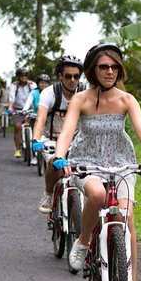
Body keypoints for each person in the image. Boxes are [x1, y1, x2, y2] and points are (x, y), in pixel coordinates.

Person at [51, 43, 141, 281]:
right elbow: (68, 131)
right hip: (87, 163)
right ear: (93, 70)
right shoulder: (81, 99)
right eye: (104, 67)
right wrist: (60, 155)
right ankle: (82, 243)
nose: (110, 71)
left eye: (114, 67)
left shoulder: (127, 100)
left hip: (121, 164)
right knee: (98, 195)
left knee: (126, 219)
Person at [31, 55, 86, 213]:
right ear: (60, 76)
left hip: (78, 141)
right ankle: (48, 193)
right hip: (51, 139)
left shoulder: (85, 92)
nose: (73, 80)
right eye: (68, 76)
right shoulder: (50, 93)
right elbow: (41, 118)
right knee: (55, 163)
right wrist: (36, 138)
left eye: (76, 76)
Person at [22, 74, 52, 165]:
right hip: (36, 116)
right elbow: (28, 102)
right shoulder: (33, 93)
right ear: (38, 84)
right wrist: (24, 110)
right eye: (42, 83)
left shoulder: (51, 92)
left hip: (49, 117)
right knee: (35, 137)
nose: (44, 85)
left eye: (46, 83)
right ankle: (35, 156)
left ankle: (49, 155)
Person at [7, 67, 37, 158]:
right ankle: (18, 149)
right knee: (17, 127)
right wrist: (10, 108)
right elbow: (12, 98)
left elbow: (35, 96)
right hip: (18, 109)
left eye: (25, 75)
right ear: (18, 77)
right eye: (22, 76)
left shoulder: (32, 85)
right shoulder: (14, 85)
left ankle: (33, 149)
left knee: (34, 128)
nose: (24, 77)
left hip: (30, 109)